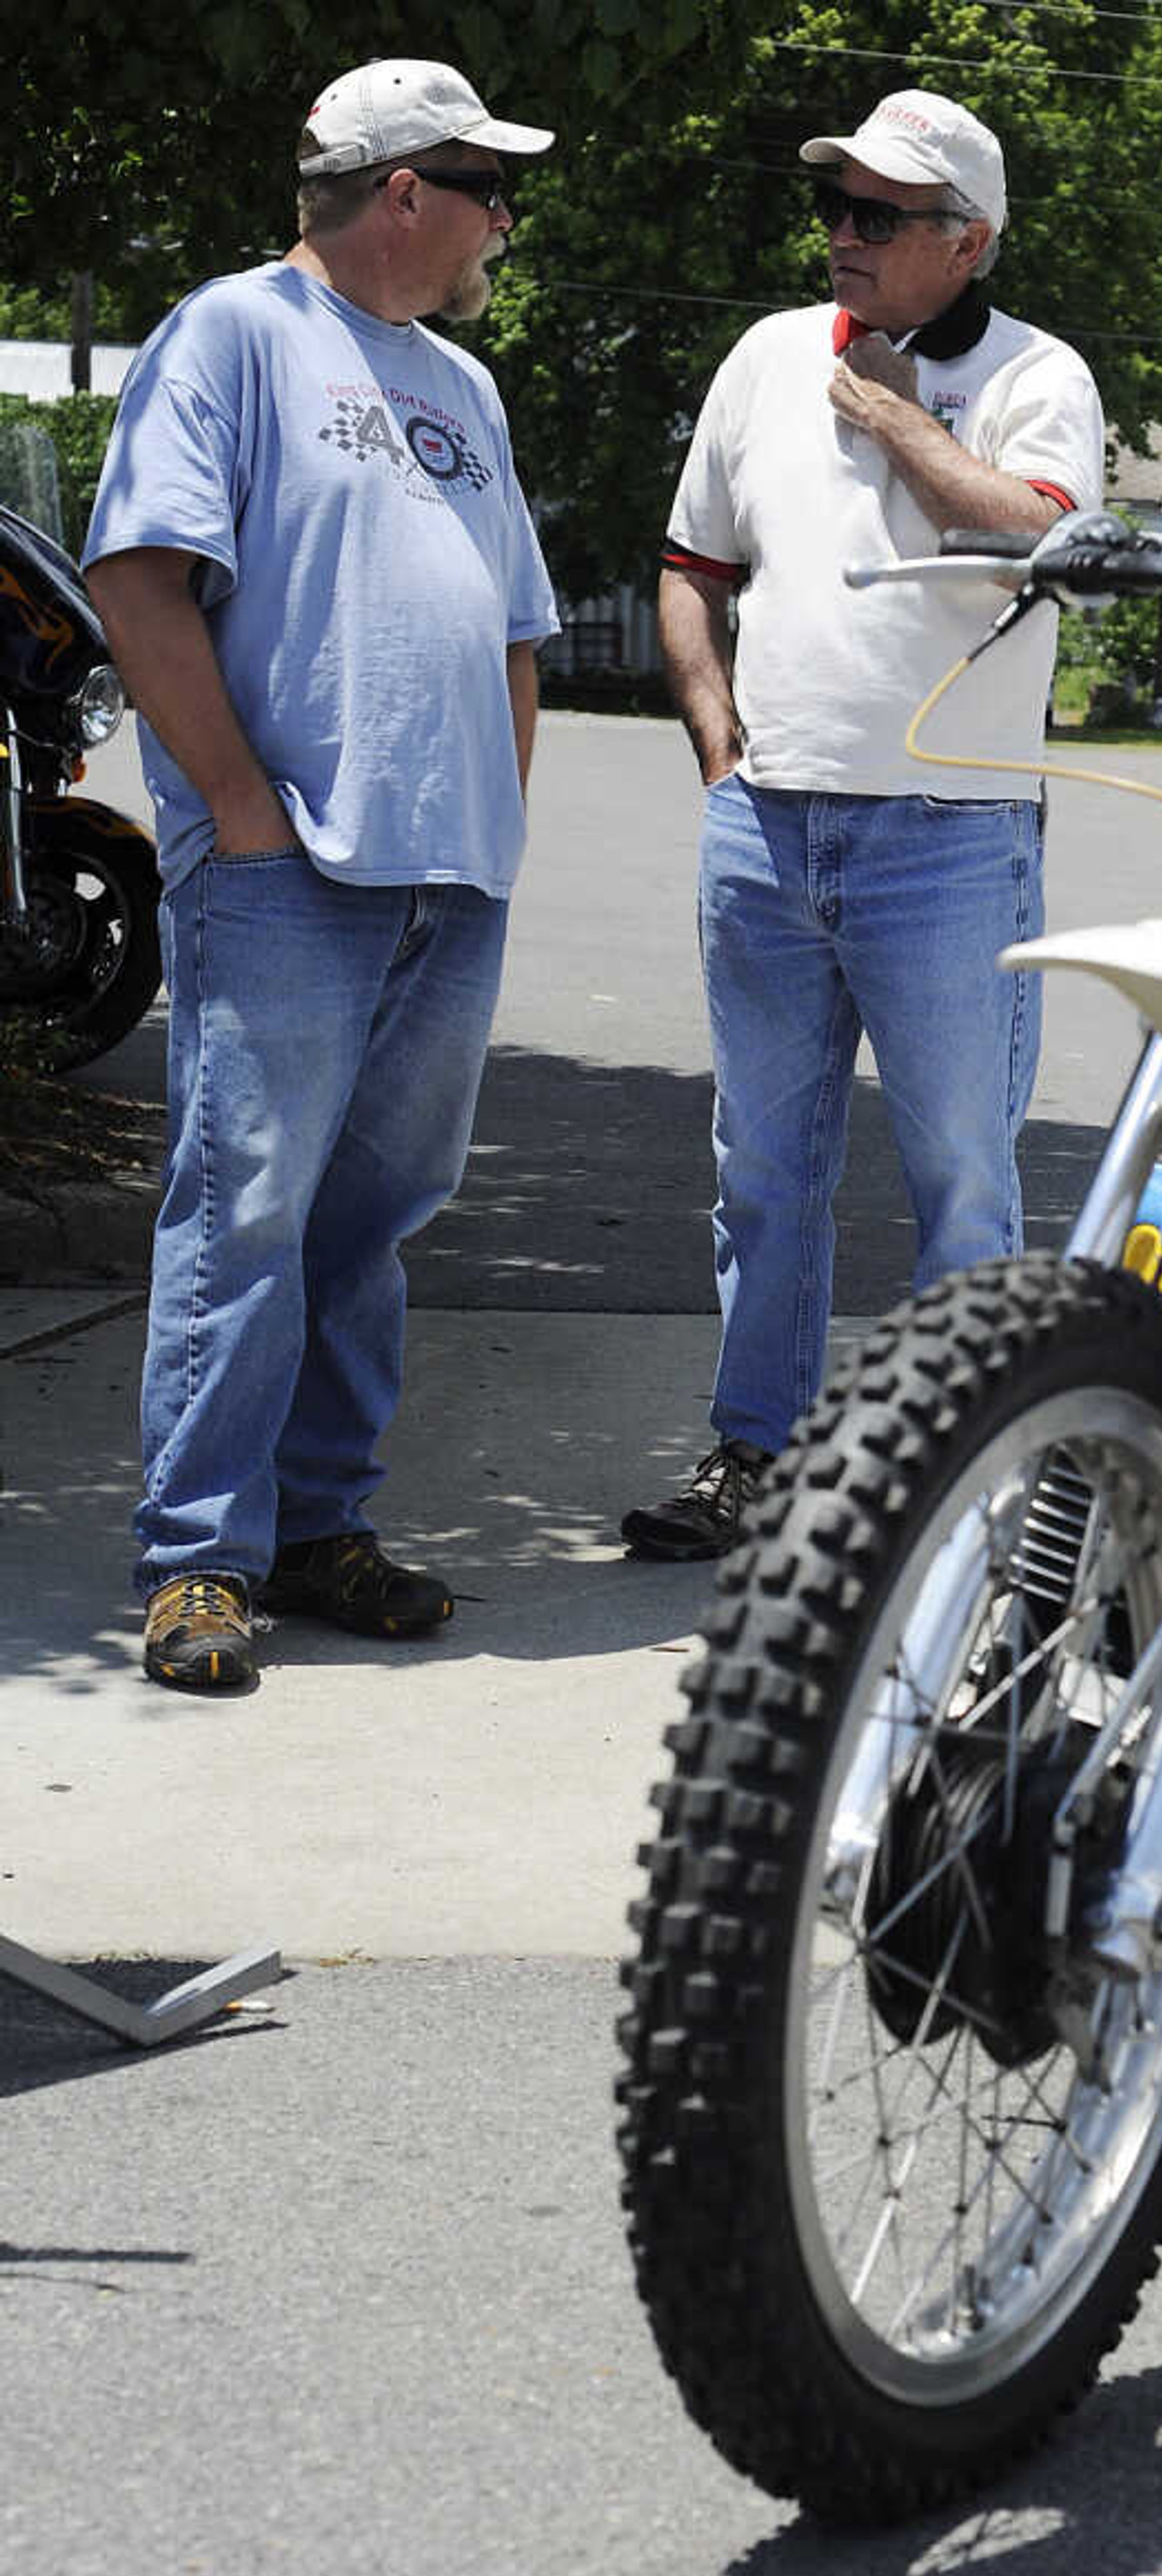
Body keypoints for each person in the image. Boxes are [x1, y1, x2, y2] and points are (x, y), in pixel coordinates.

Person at [83, 58, 561, 1694]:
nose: (508, 219)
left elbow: (514, 630)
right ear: (405, 191)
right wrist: (241, 810)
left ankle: (315, 1527)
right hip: (291, 866)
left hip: (450, 877)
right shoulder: (232, 335)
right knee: (250, 1206)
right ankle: (198, 1558)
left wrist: (495, 821)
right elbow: (141, 585)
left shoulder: (464, 386)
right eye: (489, 188)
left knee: (372, 1216)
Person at [620, 88, 1105, 1560]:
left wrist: (894, 411)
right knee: (764, 1172)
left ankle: (964, 1487)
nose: (843, 234)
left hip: (949, 839)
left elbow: (1042, 530)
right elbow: (690, 564)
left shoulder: (1040, 377)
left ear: (970, 241)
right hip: (766, 831)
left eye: (880, 216)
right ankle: (754, 1451)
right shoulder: (769, 358)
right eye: (835, 208)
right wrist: (716, 739)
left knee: (962, 1172)